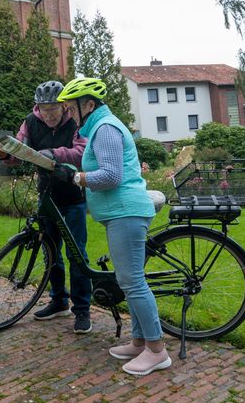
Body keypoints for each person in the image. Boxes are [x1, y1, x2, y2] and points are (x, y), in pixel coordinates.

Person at [51, 77, 171, 376]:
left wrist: (77, 177)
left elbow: (111, 176)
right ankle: (139, 341)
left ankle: (157, 351)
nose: (69, 113)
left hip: (126, 212)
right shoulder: (100, 127)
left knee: (132, 282)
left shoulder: (105, 128)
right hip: (120, 213)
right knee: (129, 280)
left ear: (88, 104)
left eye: (71, 108)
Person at [0, 80, 92, 333]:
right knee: (50, 252)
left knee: (76, 254)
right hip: (46, 195)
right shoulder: (30, 122)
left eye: (53, 109)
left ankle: (82, 309)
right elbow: (19, 150)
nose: (48, 114)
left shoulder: (76, 123)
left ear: (64, 106)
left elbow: (82, 153)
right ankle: (58, 300)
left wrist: (53, 153)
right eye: (43, 109)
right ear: (37, 107)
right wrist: (7, 155)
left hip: (73, 196)